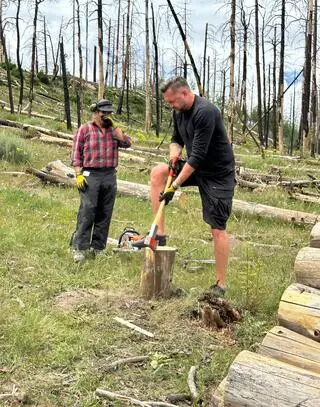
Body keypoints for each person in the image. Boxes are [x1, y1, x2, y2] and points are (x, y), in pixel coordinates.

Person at [150, 77, 235, 296]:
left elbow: (197, 156)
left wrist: (174, 186)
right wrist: (173, 156)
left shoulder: (205, 111)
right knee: (158, 172)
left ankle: (220, 285)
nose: (171, 106)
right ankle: (158, 233)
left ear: (185, 93)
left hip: (217, 174)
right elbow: (176, 139)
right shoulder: (178, 111)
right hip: (195, 168)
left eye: (173, 102)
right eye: (168, 103)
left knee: (217, 228)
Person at [71, 98, 132, 262]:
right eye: (103, 112)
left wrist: (118, 130)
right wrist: (78, 174)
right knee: (87, 211)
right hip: (91, 175)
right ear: (96, 112)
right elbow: (76, 154)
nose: (106, 115)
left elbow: (128, 143)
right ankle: (79, 248)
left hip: (109, 175)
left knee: (105, 213)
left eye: (109, 113)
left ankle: (97, 248)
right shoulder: (84, 130)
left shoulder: (113, 131)